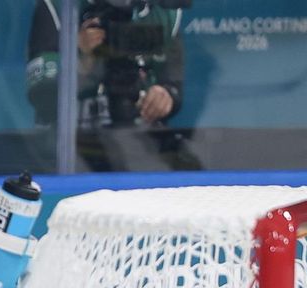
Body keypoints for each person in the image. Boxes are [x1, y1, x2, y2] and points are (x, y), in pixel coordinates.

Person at [26, 0, 194, 171]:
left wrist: (165, 96)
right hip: (69, 154)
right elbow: (43, 95)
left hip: (139, 149)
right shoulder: (58, 7)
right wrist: (80, 59)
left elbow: (173, 83)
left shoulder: (163, 12)